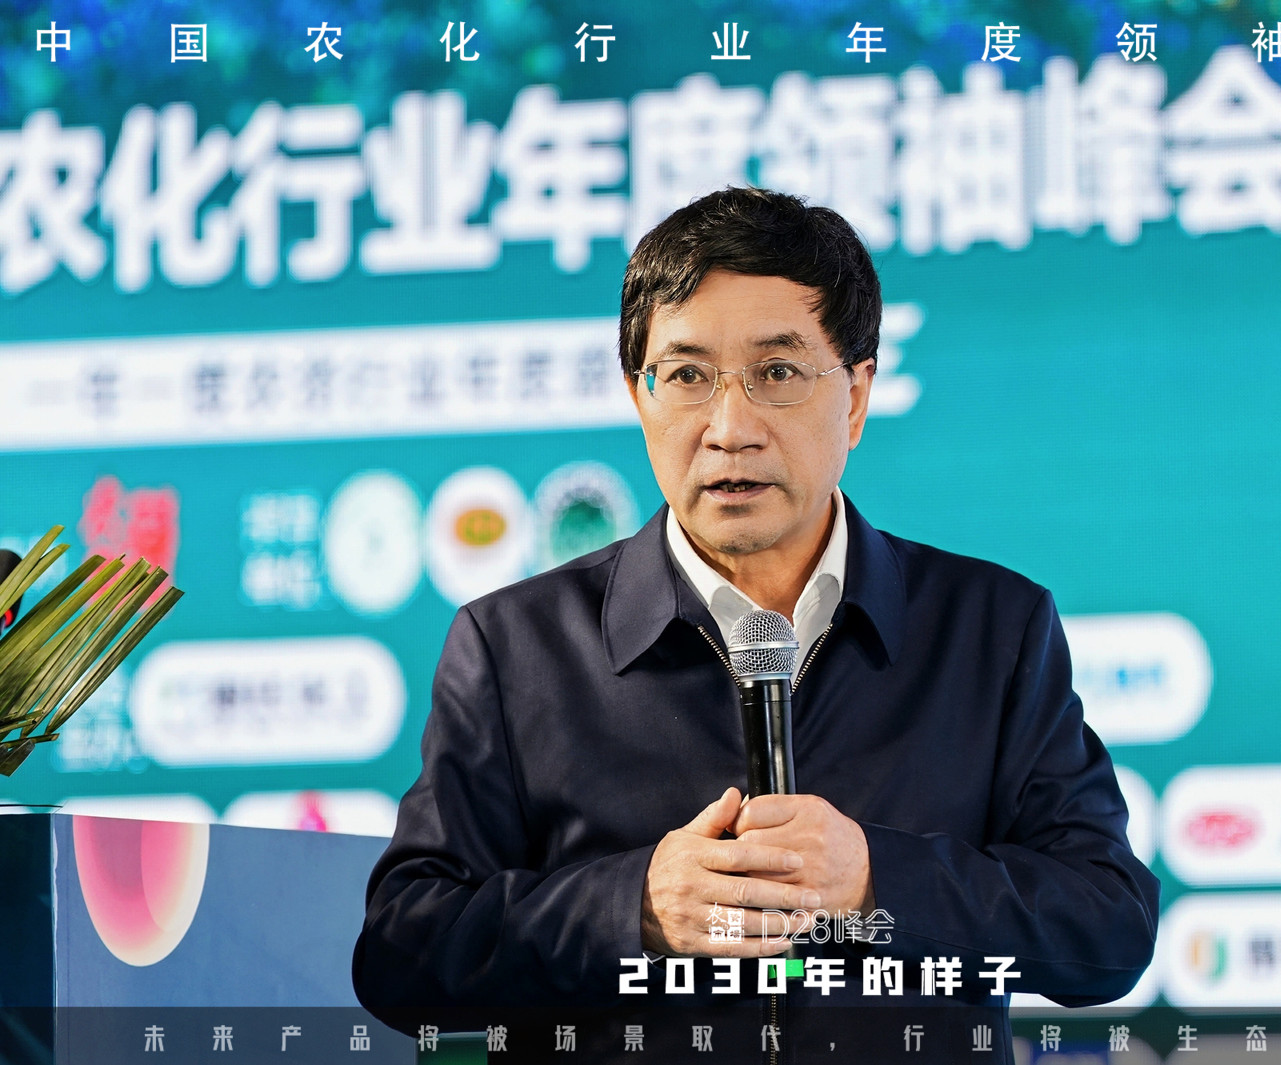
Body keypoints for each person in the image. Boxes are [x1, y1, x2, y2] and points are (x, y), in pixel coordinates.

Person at [352, 187, 1159, 1062]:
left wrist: (876, 879)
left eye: (777, 374)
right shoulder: (516, 648)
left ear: (856, 396)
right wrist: (632, 907)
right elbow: (403, 956)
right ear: (639, 396)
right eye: (686, 376)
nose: (729, 429)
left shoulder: (990, 629)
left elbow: (1108, 926)